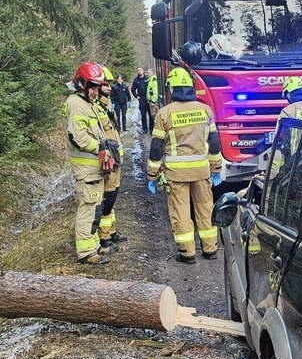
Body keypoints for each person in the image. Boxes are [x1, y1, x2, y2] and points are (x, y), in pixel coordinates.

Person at [146, 66, 223, 264]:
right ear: (190, 87)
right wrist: (216, 169)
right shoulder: (205, 110)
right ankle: (210, 249)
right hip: (201, 171)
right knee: (206, 209)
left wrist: (152, 176)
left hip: (176, 175)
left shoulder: (164, 113)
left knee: (181, 213)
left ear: (171, 88)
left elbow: (156, 148)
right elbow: (214, 143)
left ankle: (187, 253)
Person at [63, 62, 113, 264]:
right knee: (88, 207)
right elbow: (78, 137)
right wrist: (99, 148)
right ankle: (85, 252)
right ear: (82, 84)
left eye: (97, 87)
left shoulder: (87, 102)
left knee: (96, 206)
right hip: (87, 168)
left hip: (95, 167)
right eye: (92, 87)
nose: (95, 91)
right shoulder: (76, 103)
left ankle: (93, 244)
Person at [95, 66, 127, 250]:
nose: (109, 87)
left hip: (115, 158)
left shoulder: (106, 103)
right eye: (105, 84)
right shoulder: (96, 107)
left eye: (110, 84)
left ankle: (111, 230)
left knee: (113, 193)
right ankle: (104, 235)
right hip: (108, 159)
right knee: (108, 195)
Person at [132, 67, 151, 133]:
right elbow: (133, 89)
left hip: (149, 99)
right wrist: (137, 96)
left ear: (143, 70)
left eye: (140, 70)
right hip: (141, 99)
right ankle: (145, 129)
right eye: (137, 70)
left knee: (150, 114)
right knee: (143, 115)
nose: (139, 71)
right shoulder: (136, 80)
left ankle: (151, 128)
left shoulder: (147, 78)